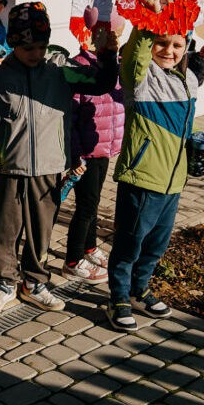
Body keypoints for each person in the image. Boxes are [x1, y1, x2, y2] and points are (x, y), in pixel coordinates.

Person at [0, 2, 118, 315]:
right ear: (12, 43)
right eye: (27, 48)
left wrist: (106, 52)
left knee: (41, 230)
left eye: (40, 46)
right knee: (5, 229)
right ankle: (5, 280)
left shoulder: (60, 68)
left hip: (50, 166)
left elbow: (101, 83)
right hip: (10, 167)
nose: (35, 54)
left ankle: (34, 281)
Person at [106, 0, 204, 332]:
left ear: (186, 48)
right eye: (162, 43)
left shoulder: (186, 80)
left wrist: (203, 59)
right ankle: (118, 297)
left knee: (157, 243)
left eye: (177, 45)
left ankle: (140, 289)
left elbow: (187, 104)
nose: (169, 51)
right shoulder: (140, 79)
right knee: (130, 241)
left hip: (173, 180)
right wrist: (147, 21)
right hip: (143, 176)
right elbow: (135, 58)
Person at [63, 26, 125, 283]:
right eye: (96, 34)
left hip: (104, 147)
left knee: (94, 201)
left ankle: (89, 246)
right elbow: (72, 115)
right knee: (86, 206)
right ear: (84, 36)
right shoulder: (78, 67)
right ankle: (73, 260)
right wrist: (75, 154)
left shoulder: (114, 65)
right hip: (86, 151)